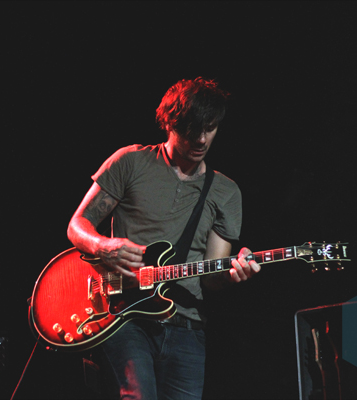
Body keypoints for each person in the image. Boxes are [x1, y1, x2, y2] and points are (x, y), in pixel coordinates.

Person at [67, 77, 261, 399]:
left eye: (210, 128)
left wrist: (232, 275)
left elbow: (211, 276)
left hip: (187, 327)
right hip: (125, 318)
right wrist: (103, 245)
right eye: (192, 129)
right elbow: (77, 224)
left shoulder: (226, 192)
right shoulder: (130, 162)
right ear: (169, 123)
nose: (201, 139)